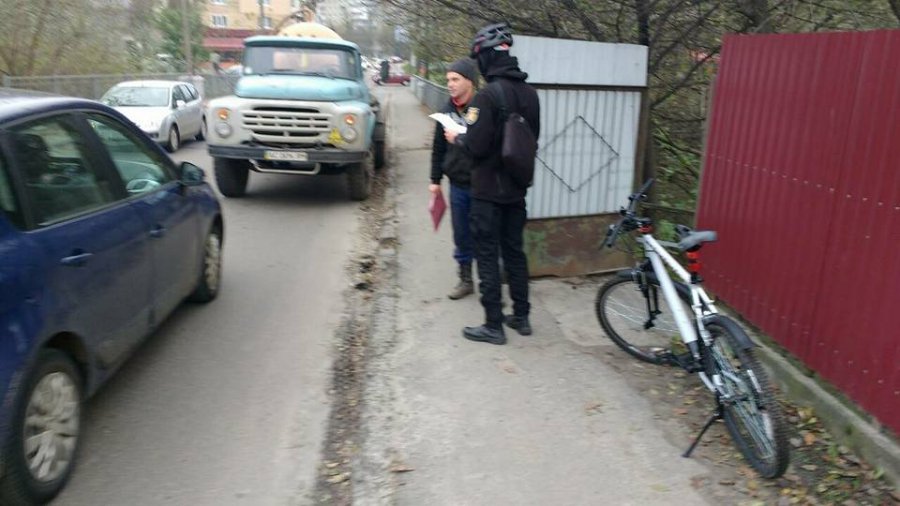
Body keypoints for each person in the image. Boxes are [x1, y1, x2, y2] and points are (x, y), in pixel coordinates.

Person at [444, 22, 540, 345]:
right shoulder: (531, 95)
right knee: (515, 253)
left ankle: (493, 325)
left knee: (486, 254)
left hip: (487, 193)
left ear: (485, 58)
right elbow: (532, 140)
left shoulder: (485, 97)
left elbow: (476, 146)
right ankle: (522, 317)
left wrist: (457, 138)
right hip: (516, 190)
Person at [430, 58, 480, 300]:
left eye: (455, 79)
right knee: (461, 234)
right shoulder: (445, 110)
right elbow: (438, 148)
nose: (450, 84)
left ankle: (491, 282)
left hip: (482, 185)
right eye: (448, 79)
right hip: (458, 185)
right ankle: (466, 279)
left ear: (469, 81)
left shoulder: (482, 108)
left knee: (486, 233)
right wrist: (434, 180)